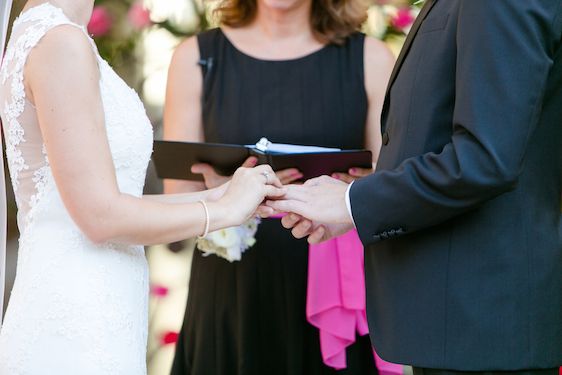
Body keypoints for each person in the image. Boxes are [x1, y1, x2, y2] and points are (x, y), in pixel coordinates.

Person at [268, 0, 562, 374]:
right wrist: (359, 210)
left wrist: (351, 201)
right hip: (461, 323)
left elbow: (484, 160)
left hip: (482, 319)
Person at [0, 0, 284, 373]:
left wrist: (223, 194)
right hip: (76, 315)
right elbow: (100, 216)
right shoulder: (58, 42)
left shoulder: (51, 33)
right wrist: (222, 211)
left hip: (97, 302)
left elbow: (109, 201)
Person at [163, 0, 395, 371]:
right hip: (231, 293)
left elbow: (388, 191)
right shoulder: (195, 57)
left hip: (333, 299)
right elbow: (175, 201)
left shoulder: (372, 58)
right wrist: (223, 197)